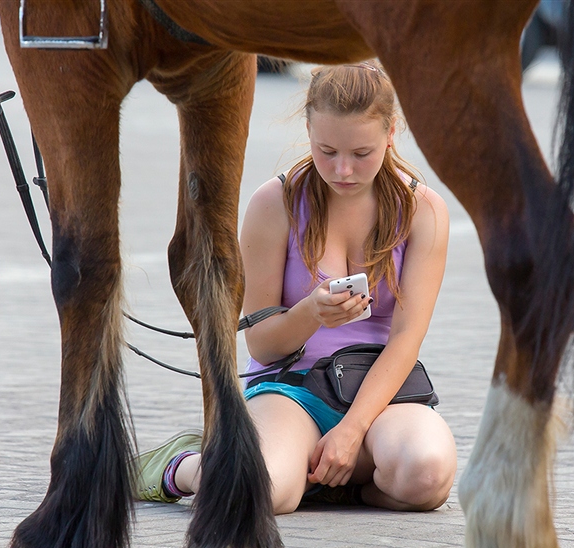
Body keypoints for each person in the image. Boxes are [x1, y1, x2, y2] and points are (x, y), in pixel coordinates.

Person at [136, 61, 456, 514]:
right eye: (327, 150)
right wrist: (311, 314)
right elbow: (261, 346)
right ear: (307, 128)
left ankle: (333, 482)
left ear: (391, 132)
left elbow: (407, 337)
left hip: (381, 391)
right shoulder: (276, 203)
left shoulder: (423, 210)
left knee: (426, 476)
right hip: (293, 388)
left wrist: (351, 431)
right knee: (256, 494)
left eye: (361, 153)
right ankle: (183, 465)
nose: (343, 169)